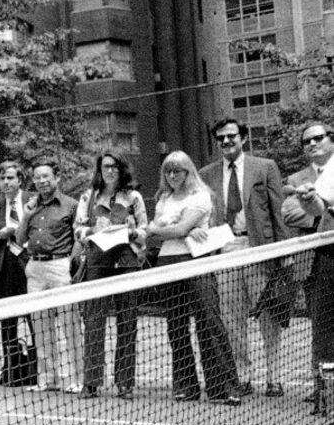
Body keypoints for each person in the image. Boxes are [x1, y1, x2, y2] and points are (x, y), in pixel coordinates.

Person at [145, 151, 242, 406]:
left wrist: (167, 229)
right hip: (168, 263)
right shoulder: (163, 198)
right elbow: (154, 233)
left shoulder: (201, 196)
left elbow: (173, 229)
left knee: (208, 321)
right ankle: (186, 386)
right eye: (168, 171)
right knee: (176, 326)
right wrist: (174, 230)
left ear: (189, 171)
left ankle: (222, 387)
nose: (173, 175)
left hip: (196, 261)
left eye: (178, 170)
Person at [200, 118, 288, 397]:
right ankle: (243, 374)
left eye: (231, 136)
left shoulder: (265, 167)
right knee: (231, 318)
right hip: (225, 252)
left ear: (243, 138)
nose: (226, 141)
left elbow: (279, 212)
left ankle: (274, 376)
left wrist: (283, 252)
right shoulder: (206, 174)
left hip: (259, 249)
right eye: (221, 138)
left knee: (268, 315)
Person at [73, 151, 147, 399]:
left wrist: (132, 232)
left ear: (122, 169)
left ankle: (125, 383)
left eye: (115, 166)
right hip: (97, 263)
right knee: (94, 321)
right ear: (100, 169)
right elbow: (78, 230)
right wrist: (93, 229)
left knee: (128, 322)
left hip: (127, 264)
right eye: (106, 166)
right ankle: (91, 382)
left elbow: (146, 230)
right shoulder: (88, 196)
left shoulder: (133, 197)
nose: (110, 171)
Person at [14, 156, 84, 393]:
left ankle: (77, 378)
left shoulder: (72, 205)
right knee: (41, 326)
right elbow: (20, 239)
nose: (41, 181)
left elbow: (79, 238)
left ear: (57, 178)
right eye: (37, 177)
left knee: (69, 323)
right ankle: (47, 379)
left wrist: (70, 264)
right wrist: (26, 215)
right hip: (35, 268)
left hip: (60, 267)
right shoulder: (31, 207)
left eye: (46, 176)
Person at [281, 122, 334, 414]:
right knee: (322, 331)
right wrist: (319, 210)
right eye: (307, 141)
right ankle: (324, 394)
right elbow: (289, 214)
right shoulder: (298, 177)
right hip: (318, 260)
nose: (313, 144)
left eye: (318, 138)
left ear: (331, 139)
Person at [0, 161, 36, 386]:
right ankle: (10, 370)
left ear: (20, 179)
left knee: (35, 319)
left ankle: (37, 369)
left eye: (10, 178)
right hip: (5, 270)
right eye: (2, 179)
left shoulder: (34, 201)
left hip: (29, 266)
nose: (6, 182)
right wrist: (0, 235)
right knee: (7, 323)